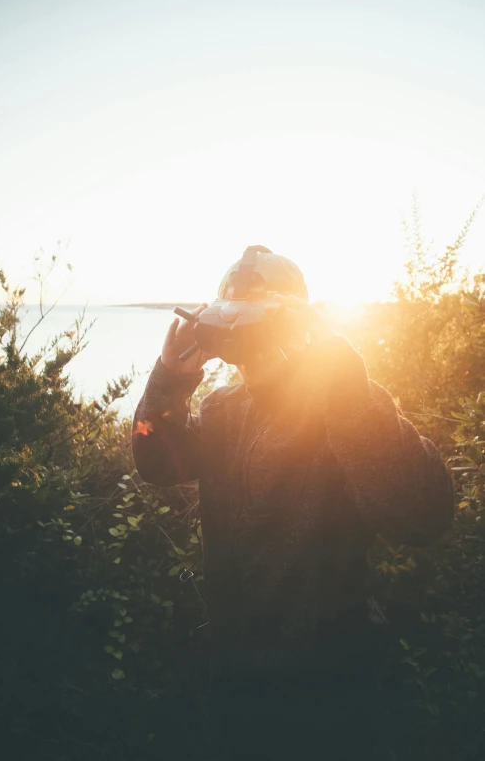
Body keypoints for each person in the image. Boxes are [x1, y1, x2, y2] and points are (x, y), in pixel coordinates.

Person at [132, 248, 455, 760]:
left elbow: (424, 514)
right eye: (233, 321)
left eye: (262, 321)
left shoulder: (343, 409)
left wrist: (345, 386)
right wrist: (170, 379)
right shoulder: (222, 411)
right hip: (235, 687)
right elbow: (154, 458)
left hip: (330, 698)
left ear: (297, 325)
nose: (248, 342)